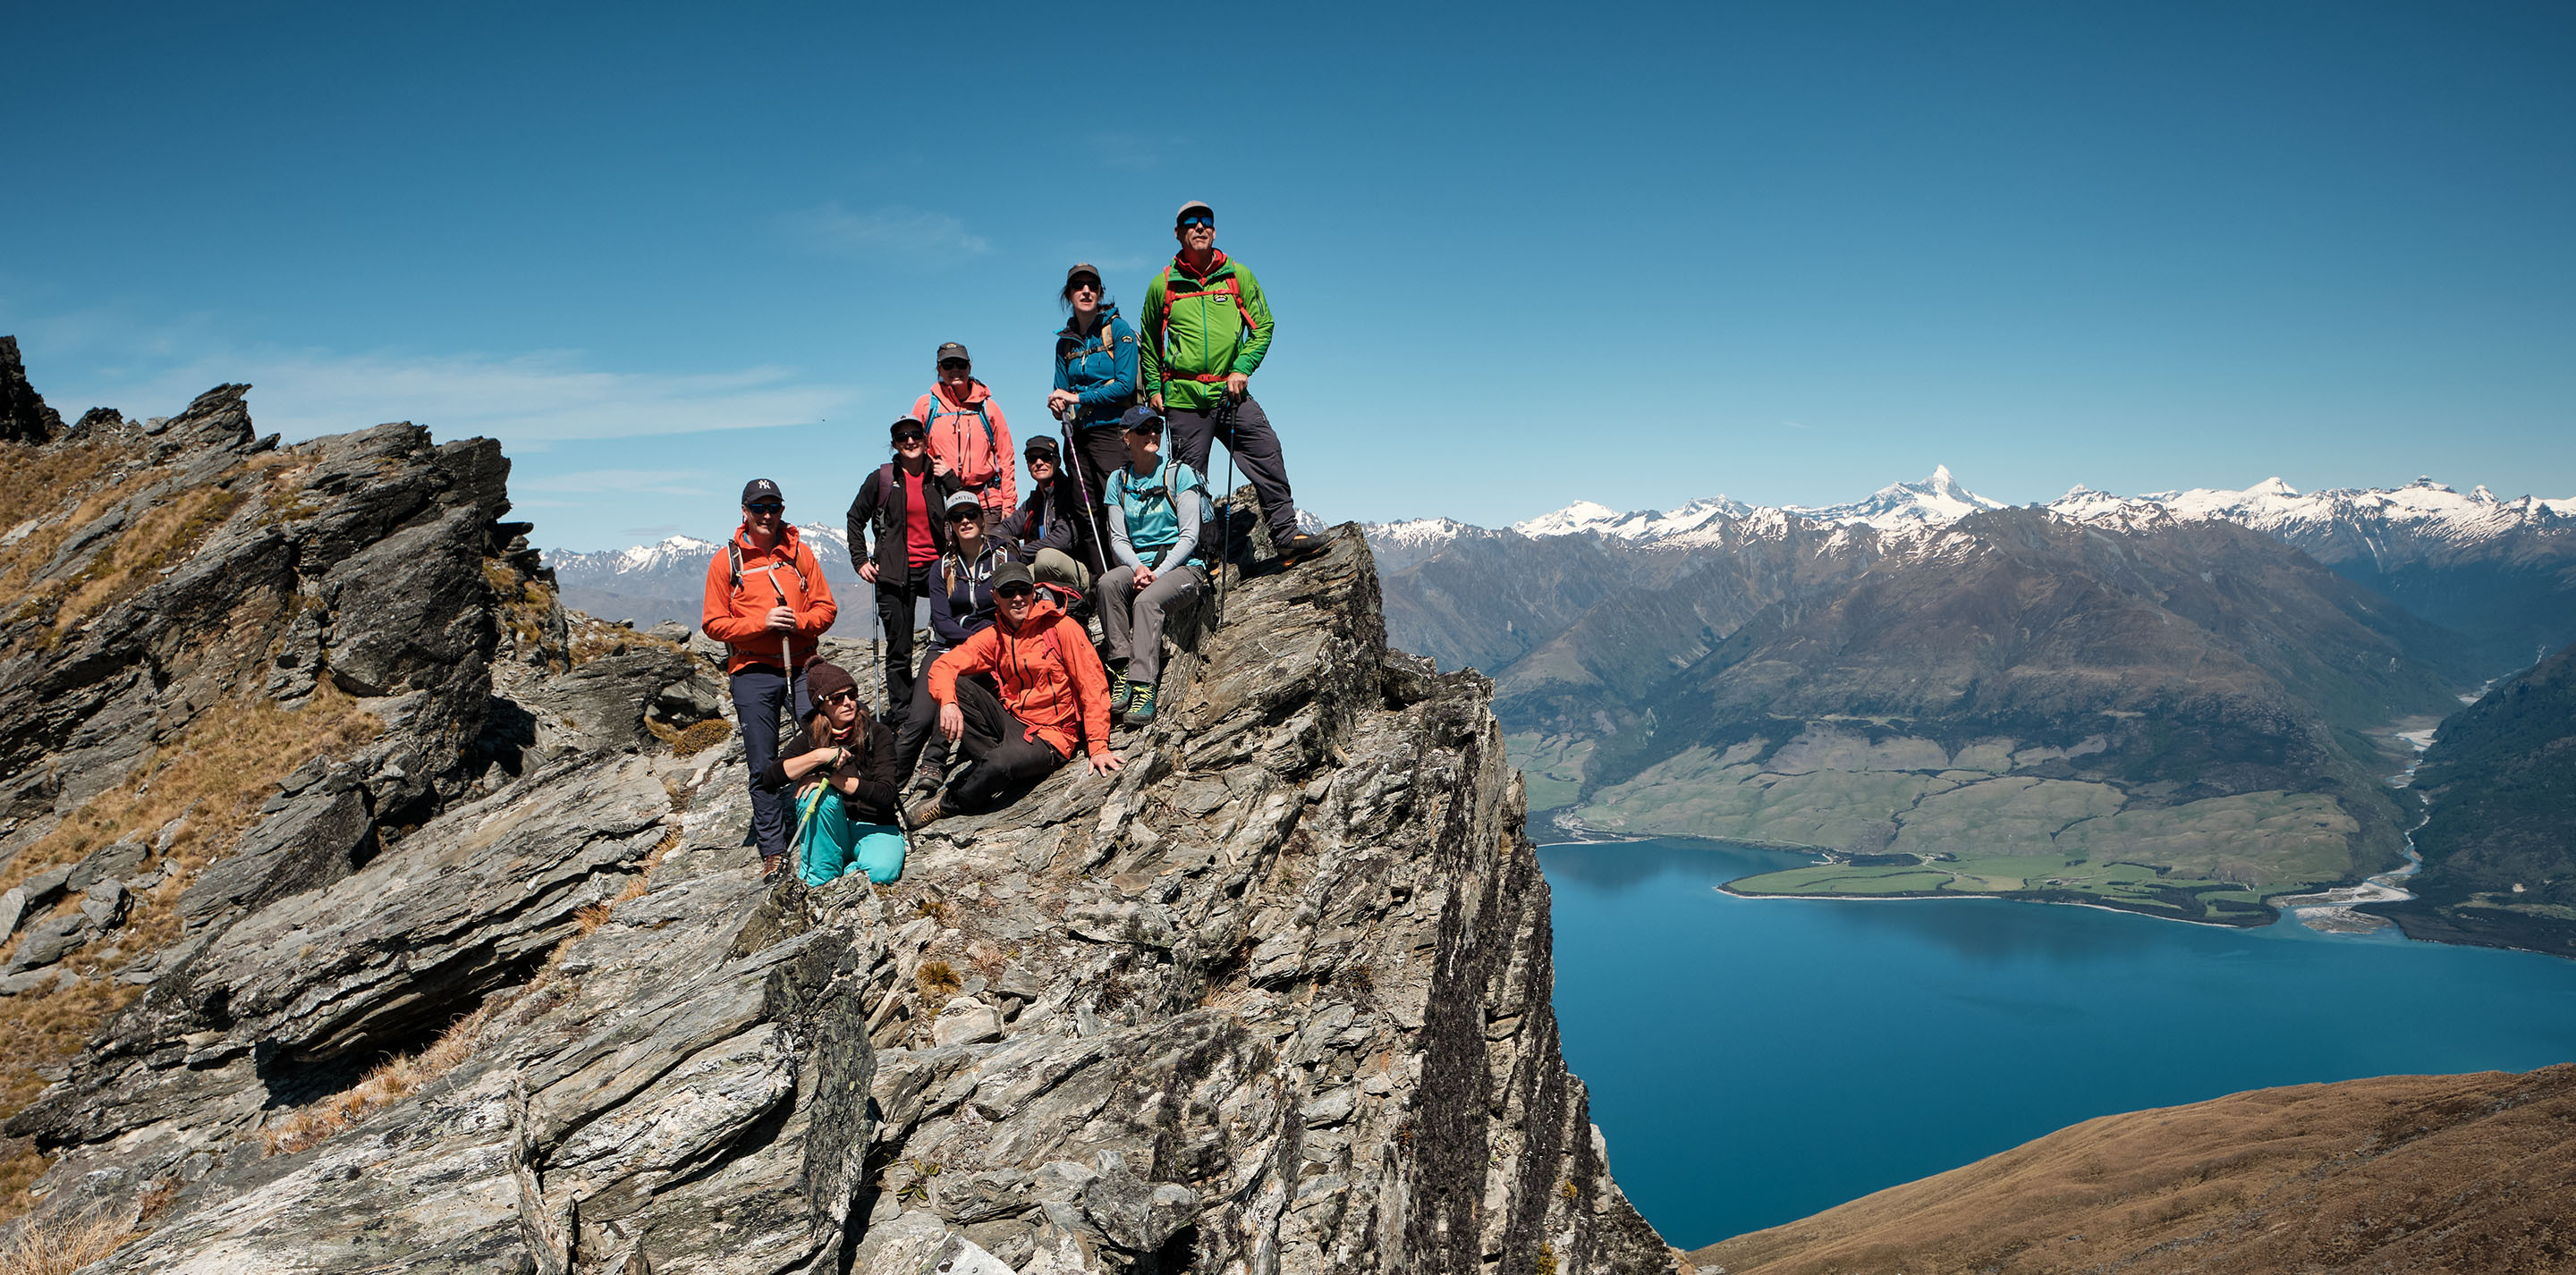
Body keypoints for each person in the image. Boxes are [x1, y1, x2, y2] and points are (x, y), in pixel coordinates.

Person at [1139, 199, 1327, 564]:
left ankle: (1285, 536)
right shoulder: (1162, 286)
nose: (1199, 227)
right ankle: (1204, 556)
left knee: (1266, 450)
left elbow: (1263, 326)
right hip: (1184, 398)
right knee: (1191, 483)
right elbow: (1149, 340)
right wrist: (1154, 388)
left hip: (1231, 393)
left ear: (1214, 229)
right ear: (1178, 233)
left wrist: (1242, 368)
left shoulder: (1237, 276)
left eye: (1206, 221)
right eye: (1189, 222)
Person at [906, 562, 1123, 826]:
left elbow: (1093, 685)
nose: (1018, 598)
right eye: (1009, 592)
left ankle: (949, 803)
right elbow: (943, 665)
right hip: (1013, 725)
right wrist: (948, 702)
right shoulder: (994, 636)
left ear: (1034, 592)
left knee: (999, 764)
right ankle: (997, 768)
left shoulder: (1062, 628)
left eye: (1024, 590)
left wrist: (1098, 745)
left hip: (1052, 737)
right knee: (959, 686)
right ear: (995, 597)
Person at [699, 478, 838, 877]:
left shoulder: (799, 553)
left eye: (773, 507)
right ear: (744, 511)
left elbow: (825, 610)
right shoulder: (726, 561)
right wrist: (761, 623)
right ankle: (773, 849)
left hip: (800, 663)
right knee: (762, 761)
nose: (766, 515)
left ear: (781, 510)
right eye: (758, 507)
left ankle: (833, 821)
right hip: (752, 670)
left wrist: (799, 622)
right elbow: (713, 623)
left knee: (821, 735)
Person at [1096, 407, 1209, 726]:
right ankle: (1120, 668)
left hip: (1184, 567)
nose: (1152, 434)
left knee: (1146, 601)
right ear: (1127, 437)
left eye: (1156, 427)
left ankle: (1144, 685)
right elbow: (1119, 539)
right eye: (1143, 429)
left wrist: (1156, 574)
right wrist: (1138, 568)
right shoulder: (1117, 481)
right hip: (1140, 563)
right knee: (1106, 584)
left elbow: (1189, 536)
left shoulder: (1179, 474)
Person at [896, 491, 1021, 781]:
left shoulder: (1003, 558)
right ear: (950, 524)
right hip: (946, 646)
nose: (965, 521)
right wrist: (970, 639)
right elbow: (941, 621)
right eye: (957, 517)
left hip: (990, 646)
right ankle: (888, 785)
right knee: (918, 720)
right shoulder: (941, 568)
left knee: (955, 690)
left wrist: (984, 642)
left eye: (971, 514)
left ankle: (934, 764)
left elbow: (1014, 604)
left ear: (981, 518)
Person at [845, 417, 961, 722]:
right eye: (902, 437)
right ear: (894, 444)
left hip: (937, 569)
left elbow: (965, 507)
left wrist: (950, 479)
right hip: (896, 573)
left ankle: (952, 698)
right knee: (900, 650)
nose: (910, 442)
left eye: (915, 436)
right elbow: (855, 518)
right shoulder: (882, 479)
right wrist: (860, 560)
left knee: (951, 637)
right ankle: (903, 714)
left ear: (925, 440)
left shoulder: (938, 475)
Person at [761, 661, 904, 885]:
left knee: (881, 873)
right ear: (821, 706)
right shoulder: (810, 740)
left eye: (851, 694)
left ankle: (845, 872)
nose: (848, 703)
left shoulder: (878, 734)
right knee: (812, 795)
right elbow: (770, 778)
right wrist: (818, 757)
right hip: (834, 828)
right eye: (836, 699)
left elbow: (886, 794)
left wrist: (830, 778)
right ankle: (823, 879)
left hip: (876, 825)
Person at [1045, 262, 1137, 523]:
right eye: (1078, 286)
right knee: (1087, 515)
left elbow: (1124, 386)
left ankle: (1128, 565)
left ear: (1100, 291)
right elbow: (1060, 390)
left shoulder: (1118, 329)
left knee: (1118, 508)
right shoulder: (1064, 342)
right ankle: (1100, 566)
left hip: (1113, 431)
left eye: (1091, 286)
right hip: (1077, 435)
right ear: (1068, 294)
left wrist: (1078, 398)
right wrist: (1057, 405)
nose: (1085, 291)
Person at [913, 342, 1016, 536]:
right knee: (950, 564)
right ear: (939, 369)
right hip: (943, 501)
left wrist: (1008, 504)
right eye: (948, 365)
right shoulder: (926, 406)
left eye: (960, 364)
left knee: (990, 562)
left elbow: (1006, 456)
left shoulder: (988, 407)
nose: (955, 370)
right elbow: (914, 452)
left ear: (969, 367)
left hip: (986, 503)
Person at [1000, 434, 1102, 592]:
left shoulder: (1071, 493)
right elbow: (1007, 527)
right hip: (1044, 570)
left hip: (1079, 570)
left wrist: (1017, 553)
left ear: (1058, 461)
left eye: (1046, 457)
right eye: (1032, 458)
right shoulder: (1034, 501)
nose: (1039, 463)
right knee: (1001, 571)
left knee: (1043, 559)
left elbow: (1060, 541)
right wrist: (992, 544)